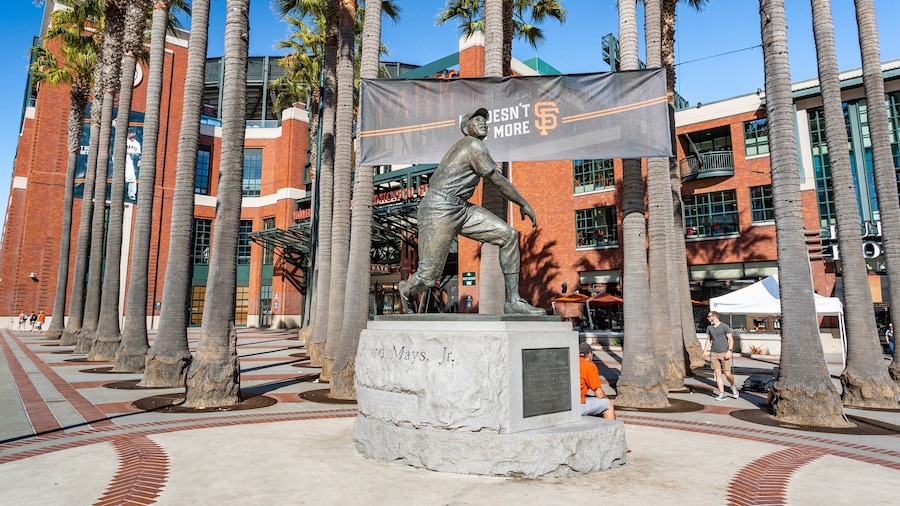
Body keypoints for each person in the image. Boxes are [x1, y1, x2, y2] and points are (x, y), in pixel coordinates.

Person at [398, 108, 544, 316]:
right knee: (428, 278)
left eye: (485, 120)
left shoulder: (475, 146)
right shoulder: (473, 145)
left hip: (461, 208)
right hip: (439, 208)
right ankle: (407, 288)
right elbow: (497, 180)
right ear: (466, 128)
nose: (484, 122)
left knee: (509, 235)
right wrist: (523, 202)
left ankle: (513, 301)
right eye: (477, 119)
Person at [703, 310, 739, 400]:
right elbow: (708, 340)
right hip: (714, 353)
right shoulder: (709, 328)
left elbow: (731, 339)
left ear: (714, 316)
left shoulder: (724, 326)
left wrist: (729, 351)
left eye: (709, 316)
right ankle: (722, 393)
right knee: (717, 373)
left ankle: (733, 386)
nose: (708, 318)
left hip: (724, 352)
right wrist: (705, 351)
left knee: (727, 374)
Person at [579, 342, 616, 420]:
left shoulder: (571, 363)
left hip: (565, 404)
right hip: (578, 406)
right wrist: (606, 397)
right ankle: (611, 430)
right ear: (589, 354)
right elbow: (599, 394)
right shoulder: (589, 366)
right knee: (608, 404)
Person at [125, 127, 141, 201]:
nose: (128, 134)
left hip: (132, 160)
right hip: (124, 159)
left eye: (130, 132)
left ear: (134, 133)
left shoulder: (137, 143)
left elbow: (138, 154)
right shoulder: (125, 141)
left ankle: (131, 195)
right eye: (128, 132)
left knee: (133, 179)